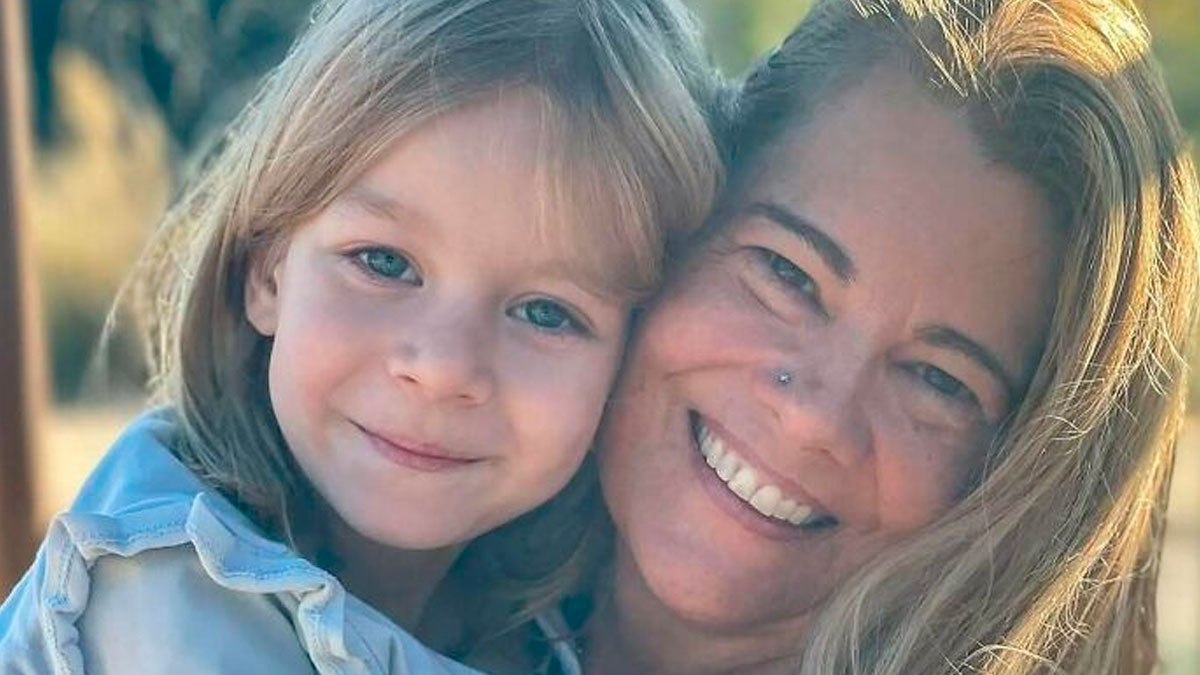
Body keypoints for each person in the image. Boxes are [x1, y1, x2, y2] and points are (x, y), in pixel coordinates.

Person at [0, 0, 721, 672]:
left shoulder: (547, 620)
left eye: (545, 312)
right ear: (268, 270)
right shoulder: (162, 599)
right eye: (384, 263)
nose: (442, 367)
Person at [576, 0, 1200, 673]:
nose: (813, 414)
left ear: (1029, 475)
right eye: (788, 273)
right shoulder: (454, 584)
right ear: (687, 206)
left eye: (938, 378)